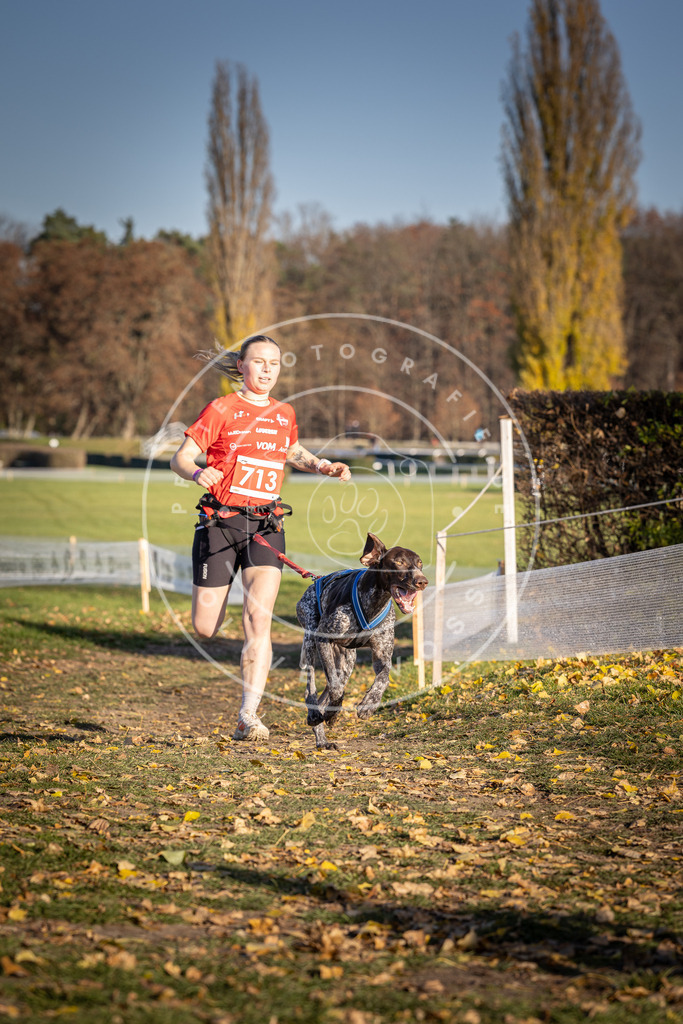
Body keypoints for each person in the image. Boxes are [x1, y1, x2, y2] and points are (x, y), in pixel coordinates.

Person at [170, 335, 351, 742]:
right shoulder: (220, 409)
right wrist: (199, 473)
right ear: (241, 366)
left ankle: (247, 715)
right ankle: (215, 595)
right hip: (220, 526)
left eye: (275, 363)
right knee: (205, 627)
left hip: (265, 528)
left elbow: (291, 449)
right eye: (259, 362)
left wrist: (322, 465)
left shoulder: (283, 412)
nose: (267, 370)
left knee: (258, 621)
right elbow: (179, 458)